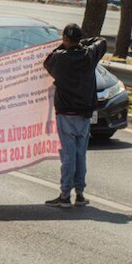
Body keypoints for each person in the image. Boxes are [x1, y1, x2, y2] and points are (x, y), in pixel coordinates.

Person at [42, 23, 107, 208]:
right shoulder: (89, 56)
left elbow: (47, 61)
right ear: (79, 39)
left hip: (66, 113)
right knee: (80, 155)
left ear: (65, 39)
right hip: (84, 114)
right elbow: (102, 42)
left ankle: (65, 195)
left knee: (68, 156)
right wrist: (83, 43)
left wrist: (63, 45)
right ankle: (79, 194)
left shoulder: (59, 58)